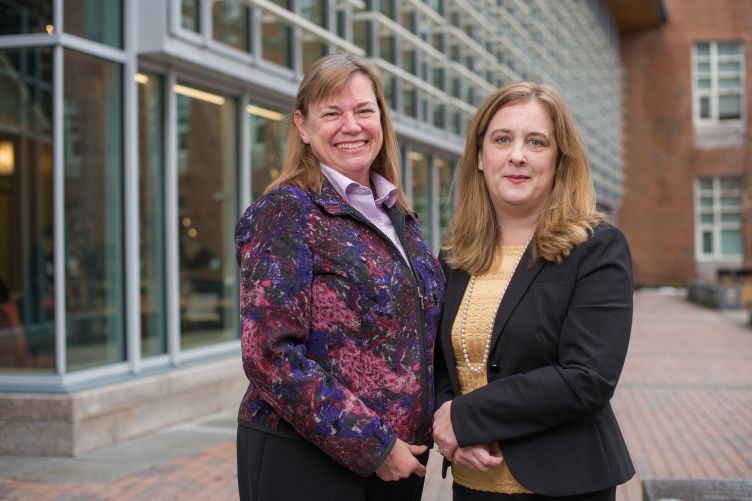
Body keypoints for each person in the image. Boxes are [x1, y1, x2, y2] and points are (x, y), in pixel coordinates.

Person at [234, 52, 445, 501]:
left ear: (381, 120)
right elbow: (268, 355)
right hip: (308, 461)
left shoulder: (399, 217)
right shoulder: (287, 211)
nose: (352, 125)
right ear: (303, 127)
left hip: (399, 464)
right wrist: (373, 446)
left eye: (364, 110)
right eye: (332, 113)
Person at [432, 81, 635, 500]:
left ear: (560, 160)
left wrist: (467, 418)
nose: (517, 155)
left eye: (537, 142)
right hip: (473, 486)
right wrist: (450, 424)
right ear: (479, 158)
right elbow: (439, 365)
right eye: (502, 139)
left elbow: (588, 377)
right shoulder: (456, 255)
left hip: (563, 485)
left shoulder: (596, 247)